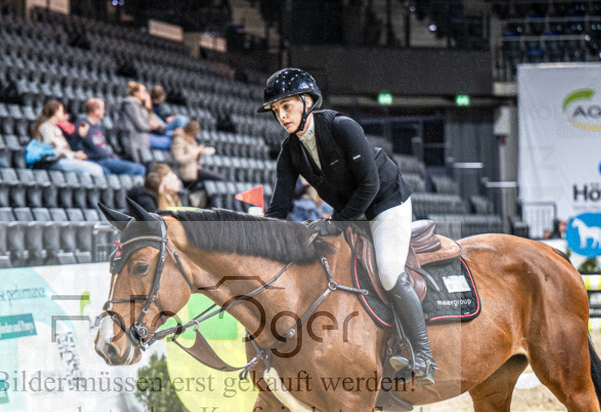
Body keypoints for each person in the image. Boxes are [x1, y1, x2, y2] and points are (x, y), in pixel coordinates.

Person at [259, 67, 434, 384]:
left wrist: (336, 222)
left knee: (389, 273)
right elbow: (280, 205)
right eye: (276, 111)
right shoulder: (289, 151)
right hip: (352, 212)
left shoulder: (342, 127)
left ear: (308, 101)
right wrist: (260, 238)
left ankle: (423, 355)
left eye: (286, 106)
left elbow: (369, 185)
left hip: (386, 203)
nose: (281, 116)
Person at [32, 100, 105, 176]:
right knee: (96, 170)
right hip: (52, 162)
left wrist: (79, 137)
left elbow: (66, 148)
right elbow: (53, 151)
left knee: (91, 171)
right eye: (61, 111)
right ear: (56, 112)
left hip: (63, 159)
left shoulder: (56, 128)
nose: (64, 114)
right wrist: (74, 155)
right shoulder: (46, 128)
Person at [77, 98, 145, 176]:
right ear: (95, 110)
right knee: (138, 169)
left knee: (139, 168)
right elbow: (88, 147)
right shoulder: (83, 125)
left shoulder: (98, 126)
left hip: (107, 158)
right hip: (98, 160)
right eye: (102, 109)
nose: (104, 112)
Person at [170, 121, 223, 185]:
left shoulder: (191, 139)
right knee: (219, 178)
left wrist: (199, 153)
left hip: (194, 169)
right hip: (187, 172)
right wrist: (195, 152)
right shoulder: (179, 139)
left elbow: (194, 158)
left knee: (217, 179)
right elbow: (179, 159)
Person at [119, 81, 154, 164]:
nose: (145, 93)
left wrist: (148, 107)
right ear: (135, 93)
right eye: (143, 91)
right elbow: (140, 125)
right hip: (134, 142)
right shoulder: (130, 104)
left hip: (141, 142)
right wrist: (152, 128)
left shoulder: (140, 106)